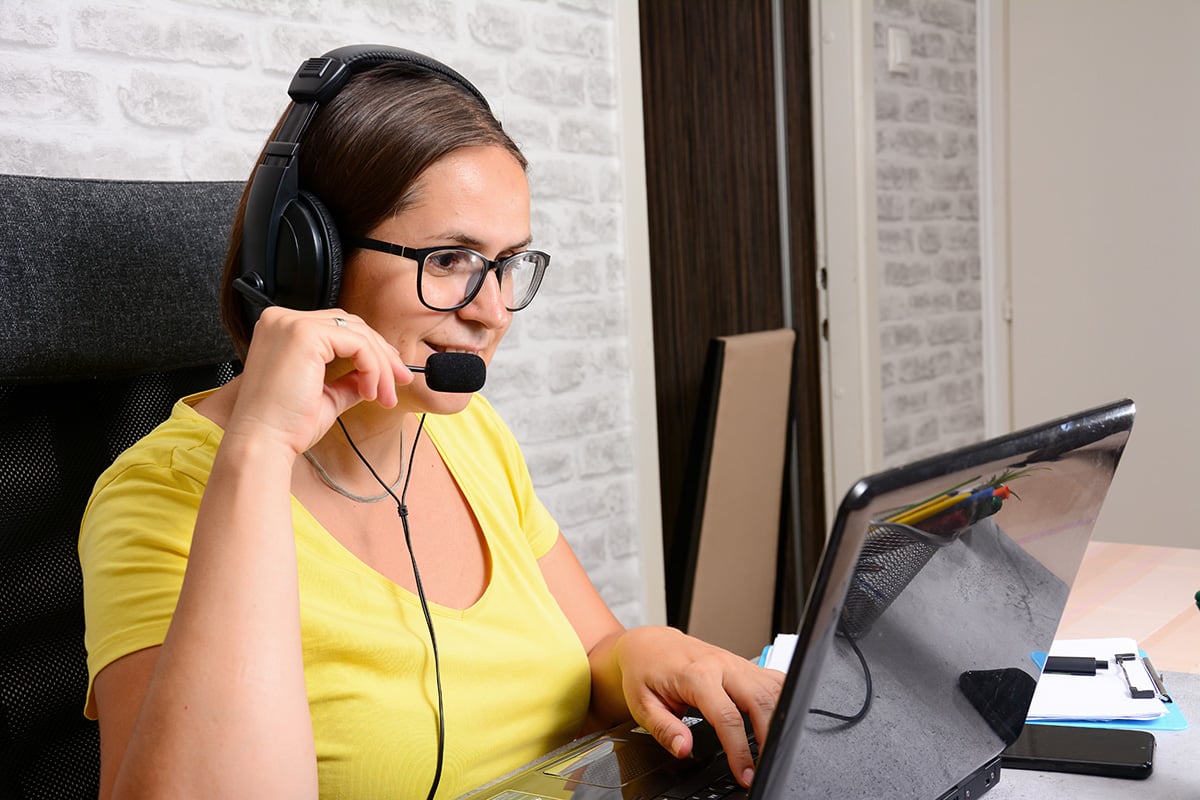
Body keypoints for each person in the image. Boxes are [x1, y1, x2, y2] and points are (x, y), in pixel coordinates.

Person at [79, 46, 783, 799]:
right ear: (309, 264)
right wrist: (257, 451)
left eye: (508, 263)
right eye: (450, 260)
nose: (491, 311)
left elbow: (596, 649)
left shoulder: (465, 434)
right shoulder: (158, 498)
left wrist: (656, 651)